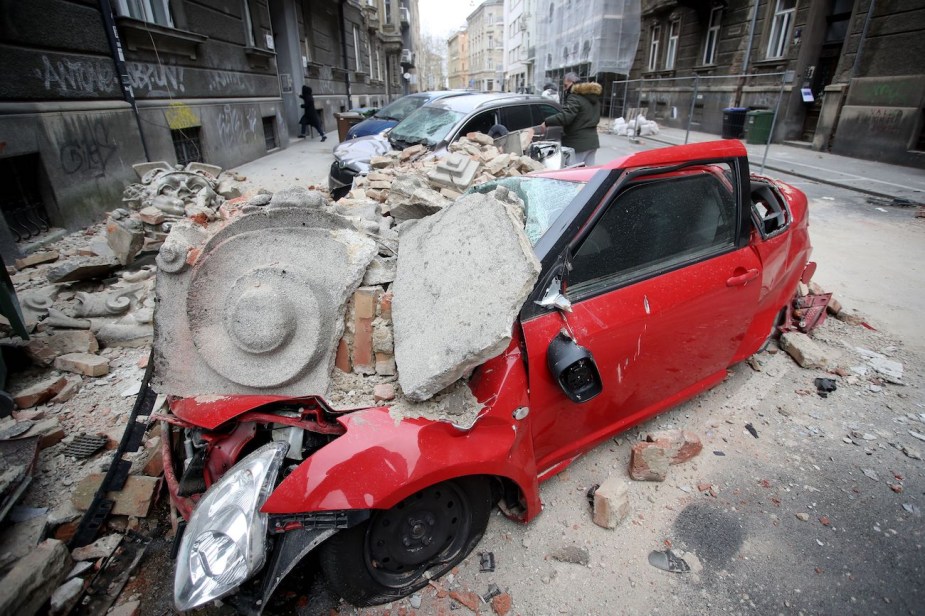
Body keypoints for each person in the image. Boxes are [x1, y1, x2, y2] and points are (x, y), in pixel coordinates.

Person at [540, 72, 602, 165]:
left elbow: (566, 117)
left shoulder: (575, 97)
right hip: (592, 142)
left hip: (578, 144)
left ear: (573, 83)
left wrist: (547, 122)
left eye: (566, 85)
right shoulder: (593, 97)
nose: (565, 89)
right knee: (588, 173)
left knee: (573, 173)